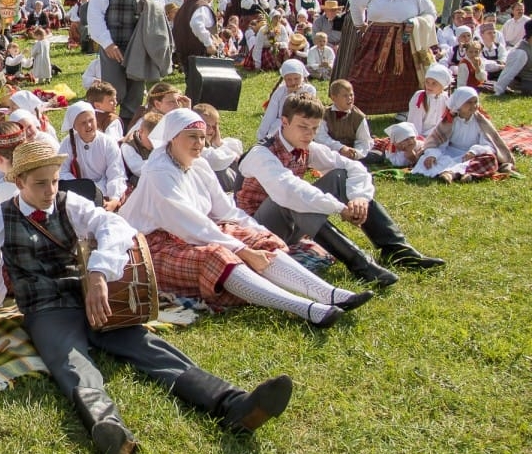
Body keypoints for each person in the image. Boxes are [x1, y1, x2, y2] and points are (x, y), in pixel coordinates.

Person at [0, 140, 293, 454]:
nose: (50, 190)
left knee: (144, 344)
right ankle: (107, 426)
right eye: (40, 184)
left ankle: (233, 404)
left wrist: (99, 274)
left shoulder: (69, 203)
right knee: (70, 361)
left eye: (55, 180)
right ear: (19, 182)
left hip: (88, 294)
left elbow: (115, 227)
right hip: (45, 309)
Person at [122, 109, 371, 327]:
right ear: (173, 138)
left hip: (197, 231)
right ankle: (306, 309)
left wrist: (255, 231)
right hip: (152, 244)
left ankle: (330, 294)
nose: (199, 143)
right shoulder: (158, 173)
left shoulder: (199, 165)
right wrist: (242, 250)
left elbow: (225, 210)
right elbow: (188, 224)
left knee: (259, 239)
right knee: (217, 256)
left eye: (202, 136)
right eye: (192, 137)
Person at [237, 93, 444, 286]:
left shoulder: (307, 147)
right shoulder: (261, 154)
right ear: (284, 122)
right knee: (293, 198)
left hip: (292, 224)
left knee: (339, 175)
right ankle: (360, 263)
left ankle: (396, 249)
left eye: (314, 129)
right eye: (303, 127)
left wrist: (359, 198)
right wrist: (339, 208)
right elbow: (289, 191)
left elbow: (353, 166)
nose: (309, 135)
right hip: (257, 228)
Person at [346, 0, 438, 114]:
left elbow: (431, 13)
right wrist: (360, 25)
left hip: (405, 38)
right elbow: (355, 2)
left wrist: (416, 22)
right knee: (365, 75)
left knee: (405, 76)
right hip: (375, 37)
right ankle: (359, 109)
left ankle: (404, 110)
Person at [88, 0, 166, 123]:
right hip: (114, 45)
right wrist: (107, 43)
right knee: (113, 94)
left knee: (135, 97)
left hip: (139, 47)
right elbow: (95, 12)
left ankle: (128, 135)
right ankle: (105, 131)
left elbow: (159, 8)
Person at [410, 87, 514, 182]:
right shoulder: (450, 121)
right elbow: (438, 143)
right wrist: (432, 155)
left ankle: (456, 174)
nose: (473, 106)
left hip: (472, 156)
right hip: (450, 153)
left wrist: (474, 151)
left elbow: (489, 145)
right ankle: (460, 174)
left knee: (490, 159)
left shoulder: (480, 122)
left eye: (475, 102)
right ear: (459, 103)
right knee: (427, 158)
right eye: (469, 102)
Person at [57, 101, 125, 210]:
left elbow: (116, 173)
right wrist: (82, 187)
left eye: (91, 120)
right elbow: (61, 171)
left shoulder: (107, 142)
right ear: (74, 126)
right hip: (79, 191)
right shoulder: (67, 143)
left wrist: (114, 199)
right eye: (83, 123)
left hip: (105, 188)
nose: (88, 125)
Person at [172, 0, 219, 73]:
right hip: (201, 57)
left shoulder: (184, 7)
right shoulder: (201, 6)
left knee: (193, 85)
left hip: (186, 57)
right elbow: (196, 24)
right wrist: (209, 44)